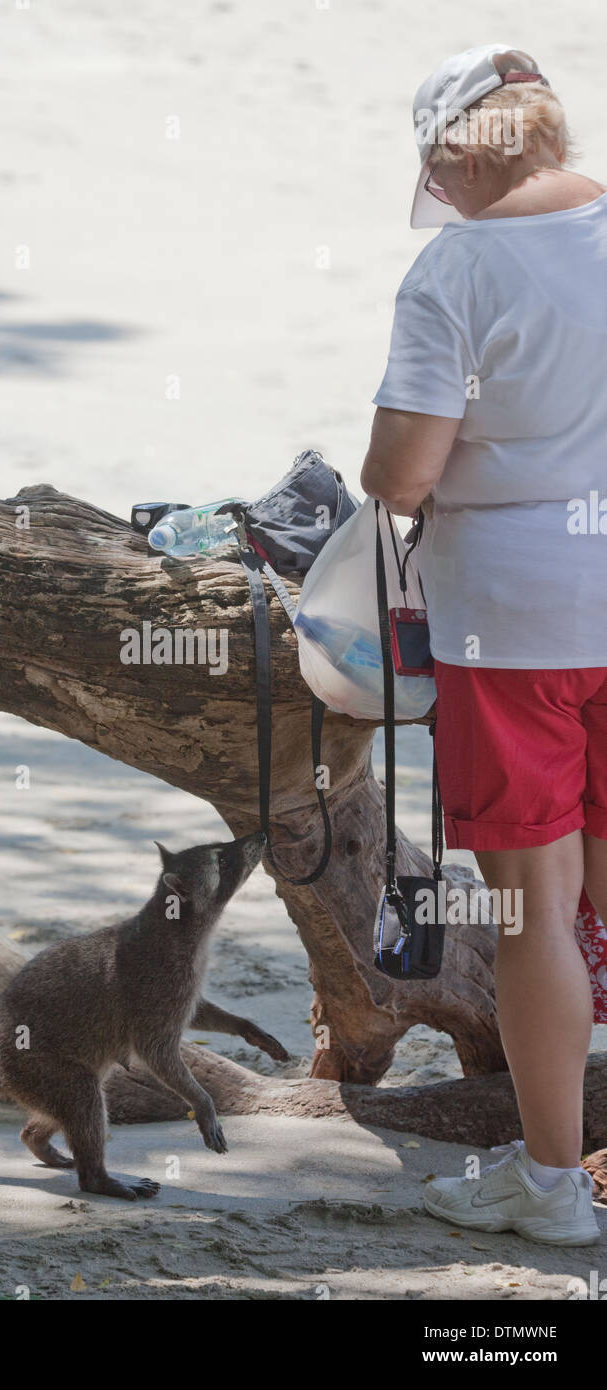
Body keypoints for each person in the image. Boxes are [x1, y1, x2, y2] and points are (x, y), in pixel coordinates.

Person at [361, 43, 606, 1245]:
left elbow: (402, 475)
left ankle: (551, 1184)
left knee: (532, 911)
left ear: (458, 155)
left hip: (514, 622)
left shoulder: (454, 272)